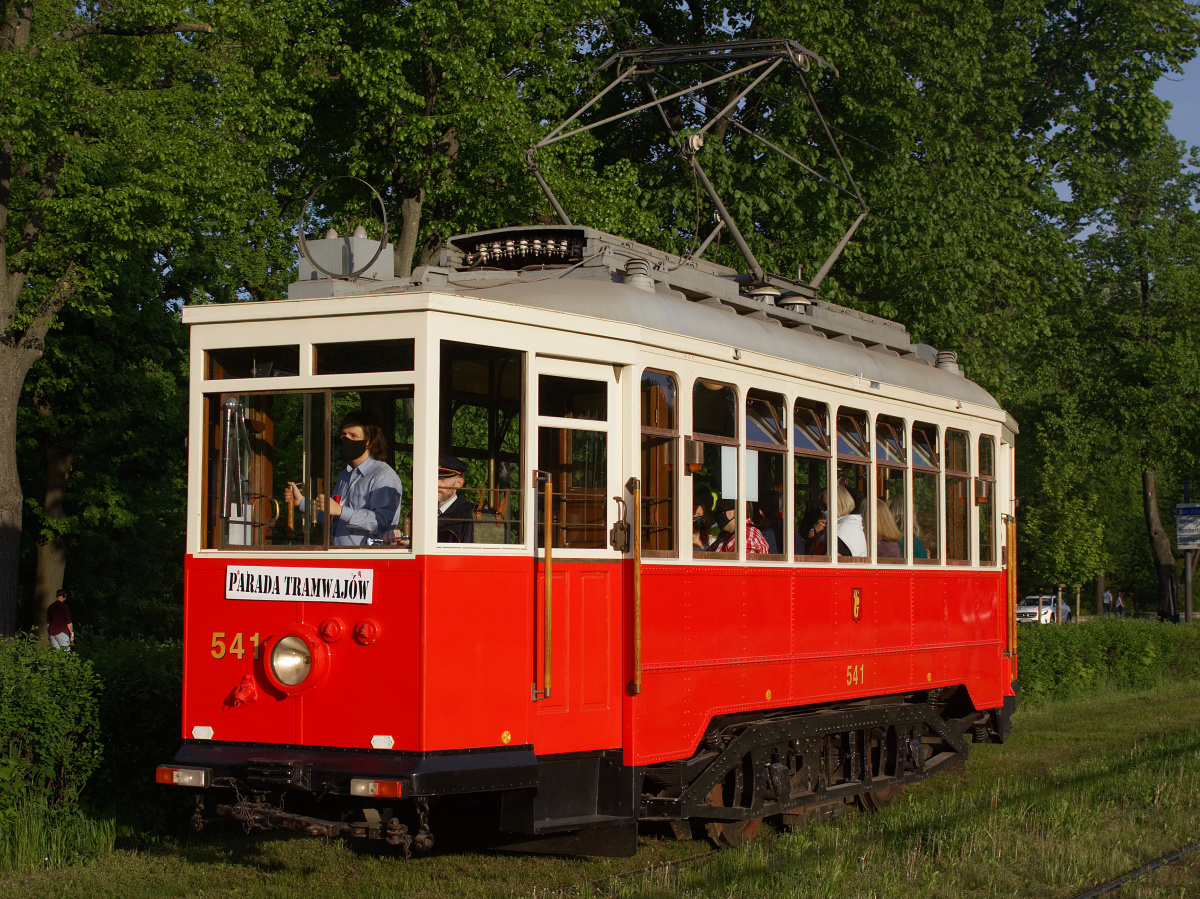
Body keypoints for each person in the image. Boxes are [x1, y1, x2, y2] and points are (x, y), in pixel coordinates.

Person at [285, 412, 403, 546]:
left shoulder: (383, 475)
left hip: (367, 560)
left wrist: (340, 510)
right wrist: (301, 502)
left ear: (369, 442)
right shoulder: (345, 474)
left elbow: (382, 522)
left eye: (353, 436)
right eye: (344, 435)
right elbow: (332, 518)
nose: (346, 439)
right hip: (341, 556)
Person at [436, 455, 475, 543]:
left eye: (442, 479)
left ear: (459, 483)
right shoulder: (418, 512)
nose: (435, 483)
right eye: (432, 478)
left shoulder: (469, 515)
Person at [692, 485, 714, 551]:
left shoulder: (711, 541)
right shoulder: (681, 542)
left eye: (703, 515)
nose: (701, 518)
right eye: (697, 515)